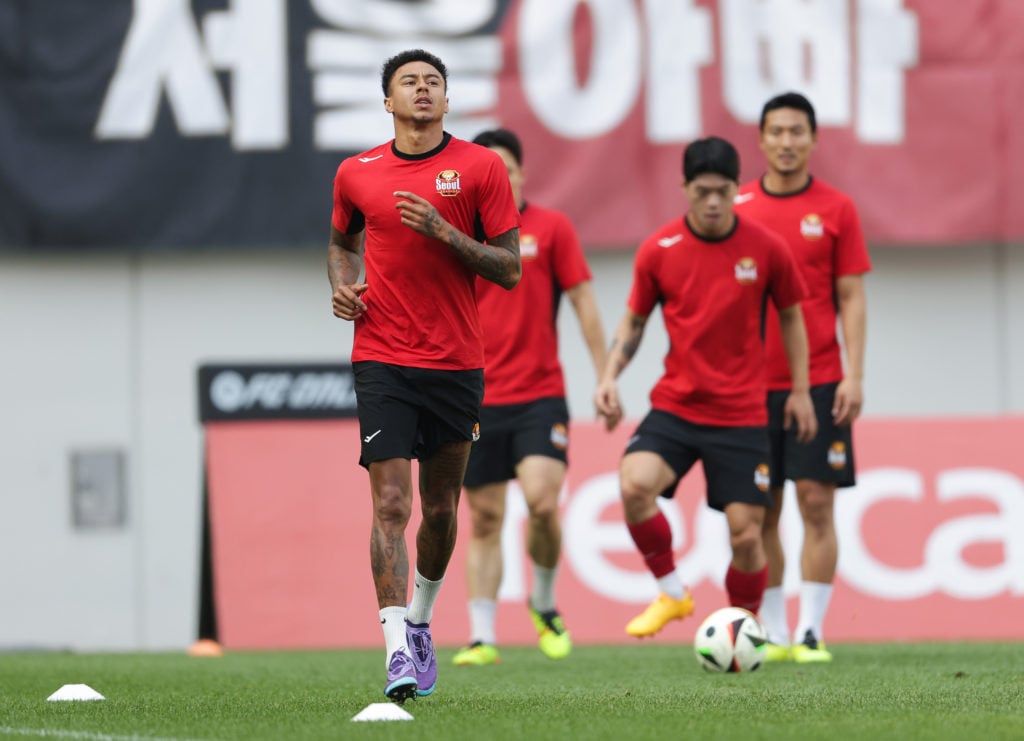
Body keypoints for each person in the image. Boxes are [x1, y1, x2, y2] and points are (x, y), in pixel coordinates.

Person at [328, 49, 521, 703]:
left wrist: (445, 231)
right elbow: (339, 241)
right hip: (381, 355)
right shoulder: (356, 172)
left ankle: (420, 622)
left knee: (440, 509)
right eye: (408, 82)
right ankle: (394, 655)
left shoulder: (481, 167)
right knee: (391, 505)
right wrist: (341, 286)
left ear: (446, 99)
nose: (421, 90)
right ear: (388, 101)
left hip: (456, 362)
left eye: (432, 82)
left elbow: (509, 267)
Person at [594, 136, 817, 639]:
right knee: (633, 485)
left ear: (738, 188)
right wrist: (609, 377)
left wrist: (801, 390)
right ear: (685, 188)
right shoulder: (659, 250)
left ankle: (743, 629)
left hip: (741, 414)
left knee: (746, 534)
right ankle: (673, 592)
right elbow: (633, 323)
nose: (713, 202)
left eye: (722, 191)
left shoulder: (766, 249)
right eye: (702, 191)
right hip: (677, 406)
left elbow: (792, 319)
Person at [452, 128, 611, 667]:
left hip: (540, 394)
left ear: (521, 175)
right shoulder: (458, 236)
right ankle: (481, 637)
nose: (500, 180)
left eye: (507, 170)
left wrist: (604, 374)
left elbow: (585, 303)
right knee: (487, 517)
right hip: (475, 395)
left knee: (543, 503)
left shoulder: (552, 228)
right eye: (489, 172)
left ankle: (543, 603)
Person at [735, 92, 872, 663]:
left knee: (817, 503)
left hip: (819, 380)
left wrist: (854, 375)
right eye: (777, 132)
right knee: (761, 509)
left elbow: (851, 296)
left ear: (813, 139)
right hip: (750, 386)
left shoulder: (837, 209)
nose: (787, 142)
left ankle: (811, 629)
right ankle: (770, 626)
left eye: (797, 132)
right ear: (761, 139)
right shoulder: (737, 210)